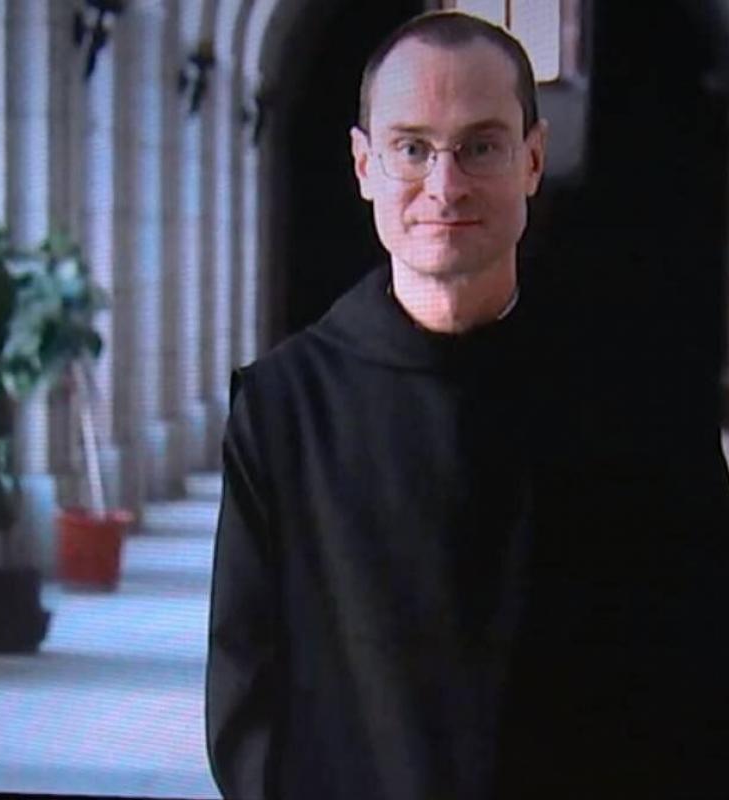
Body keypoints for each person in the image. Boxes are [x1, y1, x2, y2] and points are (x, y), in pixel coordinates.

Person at [205, 10, 729, 799]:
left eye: (480, 147)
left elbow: (704, 662)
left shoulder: (641, 397)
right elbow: (246, 708)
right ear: (364, 166)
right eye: (412, 148)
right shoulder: (283, 410)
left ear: (532, 160)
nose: (444, 187)